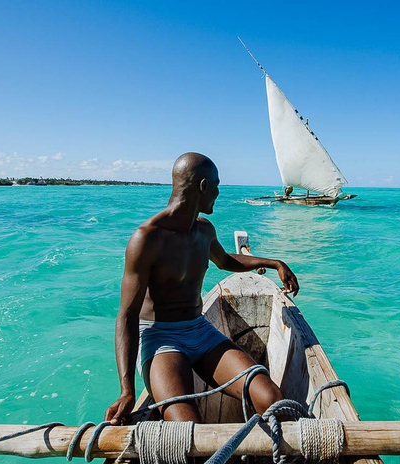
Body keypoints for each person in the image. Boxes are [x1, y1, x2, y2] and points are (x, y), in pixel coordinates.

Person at [104, 152, 299, 425]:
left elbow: (226, 260)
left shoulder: (204, 231)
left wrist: (273, 262)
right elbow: (127, 315)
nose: (219, 192)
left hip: (200, 330)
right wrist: (126, 391)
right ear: (203, 186)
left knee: (269, 397)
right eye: (217, 185)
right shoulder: (146, 239)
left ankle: (260, 460)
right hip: (161, 339)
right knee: (187, 427)